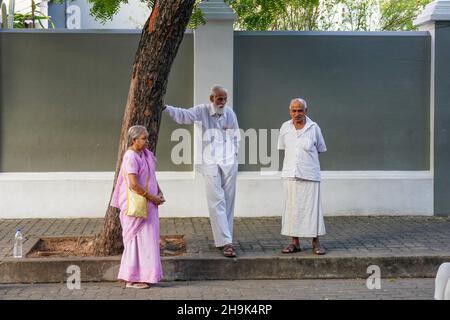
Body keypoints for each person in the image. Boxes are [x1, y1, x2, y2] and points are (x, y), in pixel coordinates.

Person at [163, 85, 240, 258]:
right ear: (211, 98)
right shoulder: (201, 111)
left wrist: (234, 155)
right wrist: (166, 108)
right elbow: (183, 115)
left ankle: (226, 238)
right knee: (216, 200)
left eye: (225, 98)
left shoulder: (230, 114)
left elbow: (236, 136)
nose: (222, 102)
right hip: (210, 162)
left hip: (228, 163)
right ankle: (225, 242)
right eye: (219, 98)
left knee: (228, 200)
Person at [111, 125, 165, 289]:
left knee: (147, 241)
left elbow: (151, 177)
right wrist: (152, 198)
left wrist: (159, 192)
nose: (147, 141)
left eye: (147, 138)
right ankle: (131, 279)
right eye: (143, 138)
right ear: (134, 140)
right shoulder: (131, 157)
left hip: (149, 204)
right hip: (136, 205)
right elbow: (133, 184)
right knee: (135, 240)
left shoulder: (146, 155)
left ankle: (144, 275)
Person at [277, 98, 327, 255]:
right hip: (290, 174)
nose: (297, 113)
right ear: (289, 111)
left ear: (306, 111)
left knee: (312, 210)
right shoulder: (285, 127)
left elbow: (320, 147)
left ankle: (316, 242)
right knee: (292, 210)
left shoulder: (314, 127)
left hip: (309, 174)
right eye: (294, 110)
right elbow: (283, 147)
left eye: (300, 110)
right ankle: (295, 242)